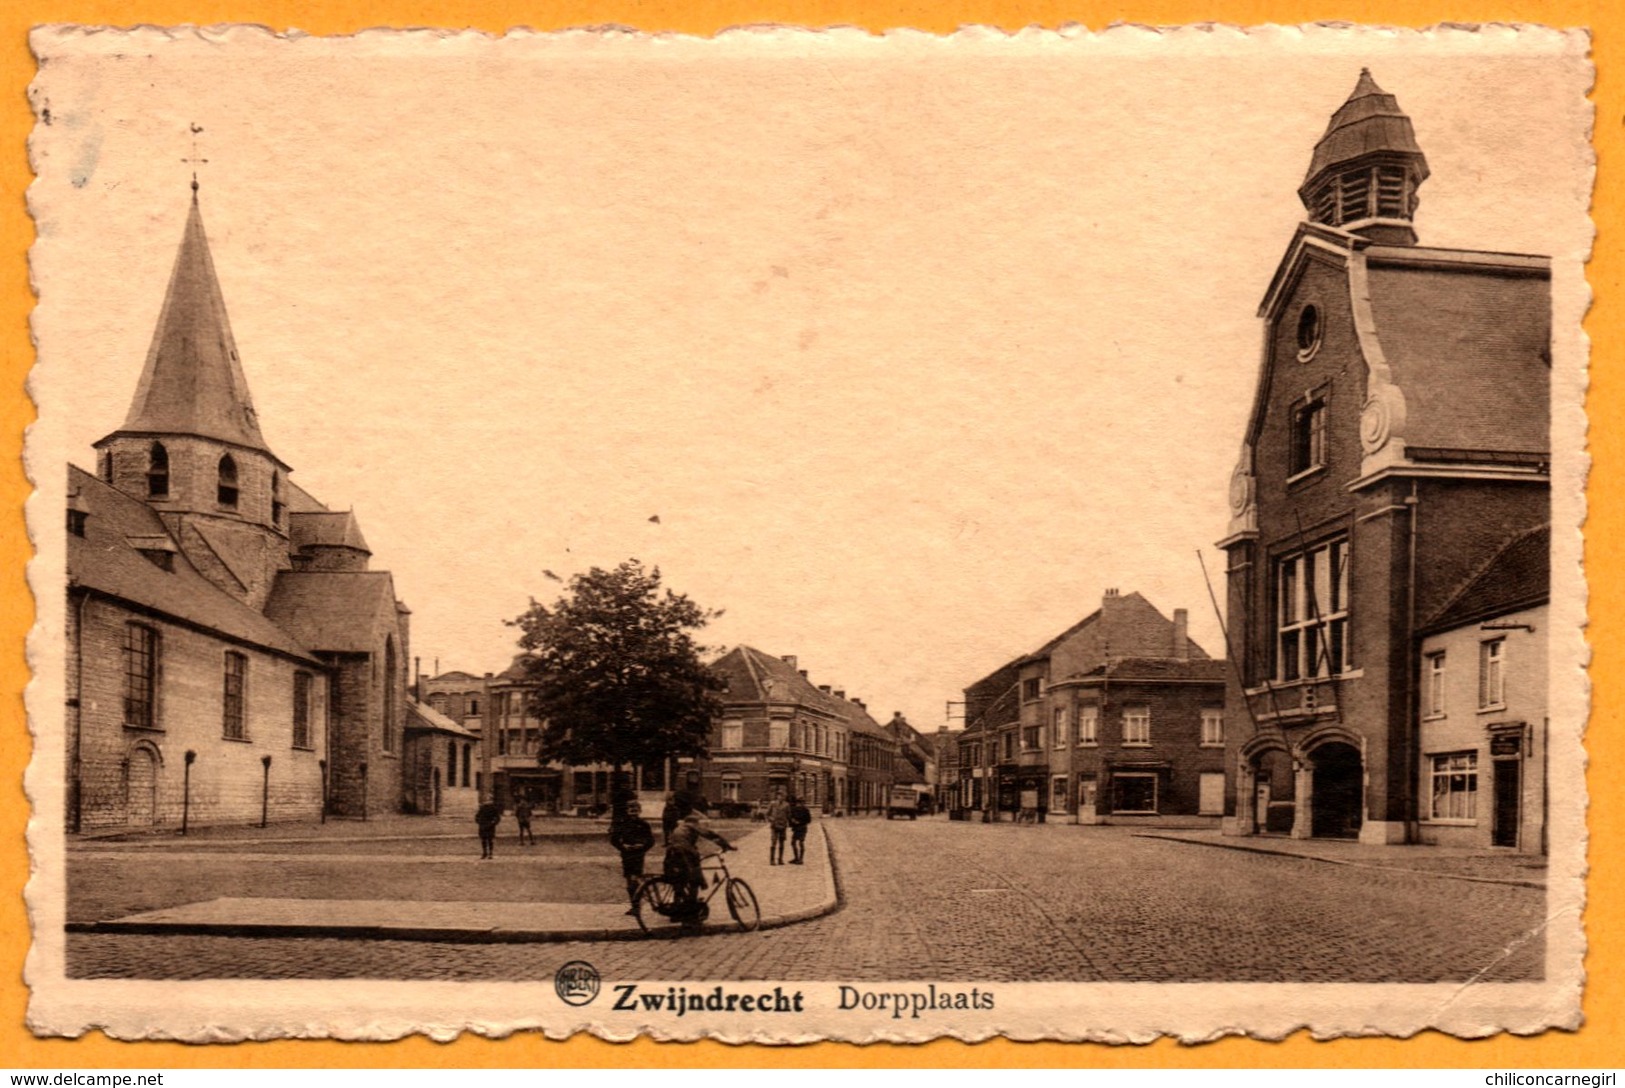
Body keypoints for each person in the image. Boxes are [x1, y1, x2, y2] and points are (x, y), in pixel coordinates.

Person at [663, 812, 732, 920]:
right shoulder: (692, 826)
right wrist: (726, 845)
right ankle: (691, 912)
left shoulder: (679, 828)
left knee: (680, 882)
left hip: (671, 856)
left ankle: (677, 911)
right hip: (684, 854)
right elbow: (710, 834)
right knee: (695, 880)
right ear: (694, 822)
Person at [610, 800, 657, 915]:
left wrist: (642, 847)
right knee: (629, 881)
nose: (633, 812)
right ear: (627, 811)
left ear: (639, 811)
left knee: (635, 880)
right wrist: (623, 846)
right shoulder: (622, 824)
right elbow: (614, 839)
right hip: (626, 855)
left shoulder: (644, 824)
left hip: (638, 855)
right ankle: (634, 906)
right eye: (630, 810)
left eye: (635, 810)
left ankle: (637, 906)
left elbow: (651, 841)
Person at [764, 787, 791, 865]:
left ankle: (780, 859)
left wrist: (789, 823)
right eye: (779, 795)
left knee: (782, 843)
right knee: (773, 842)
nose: (781, 797)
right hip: (774, 826)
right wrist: (770, 819)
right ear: (777, 796)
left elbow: (789, 815)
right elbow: (767, 814)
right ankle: (772, 860)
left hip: (783, 826)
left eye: (782, 795)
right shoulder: (773, 804)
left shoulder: (787, 805)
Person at [788, 794, 812, 864]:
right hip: (799, 828)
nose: (799, 804)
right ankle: (798, 858)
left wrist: (797, 822)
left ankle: (799, 859)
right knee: (796, 842)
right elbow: (791, 817)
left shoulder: (803, 810)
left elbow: (808, 820)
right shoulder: (797, 809)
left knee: (797, 843)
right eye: (799, 802)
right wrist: (793, 821)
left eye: (800, 802)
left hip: (800, 828)